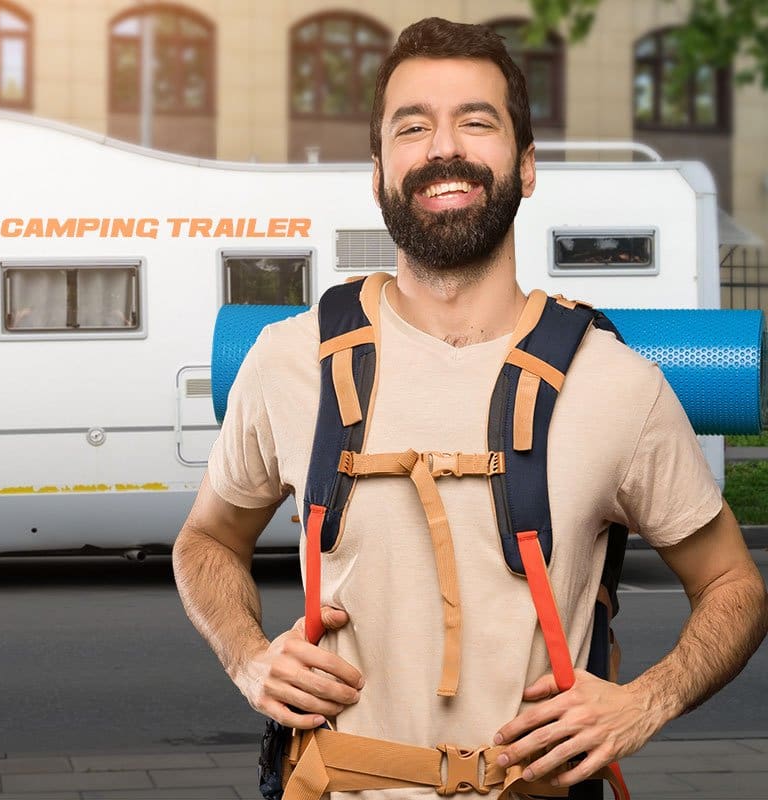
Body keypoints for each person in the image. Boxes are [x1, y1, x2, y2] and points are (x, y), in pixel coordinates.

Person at [172, 16, 768, 799]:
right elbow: (207, 539)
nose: (442, 149)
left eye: (475, 122)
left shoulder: (616, 381)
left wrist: (641, 704)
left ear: (525, 167)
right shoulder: (291, 360)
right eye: (412, 126)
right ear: (379, 169)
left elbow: (735, 586)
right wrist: (249, 657)